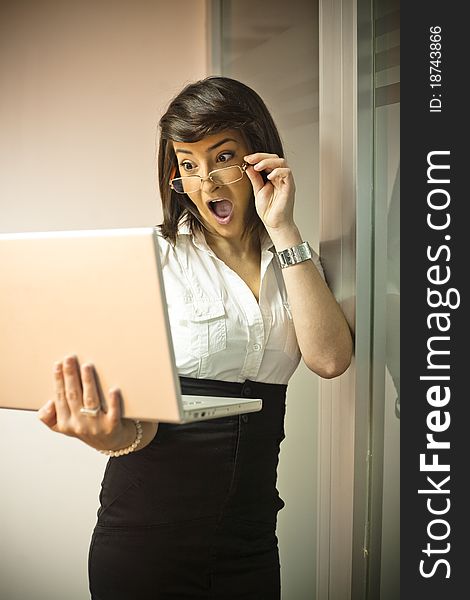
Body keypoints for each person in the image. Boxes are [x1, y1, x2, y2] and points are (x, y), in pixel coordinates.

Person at [38, 76, 352, 600]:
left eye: (223, 156)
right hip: (146, 541)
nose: (206, 182)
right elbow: (134, 429)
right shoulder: (152, 262)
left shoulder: (296, 264)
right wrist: (103, 436)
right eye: (188, 165)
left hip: (249, 542)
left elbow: (329, 359)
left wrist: (286, 229)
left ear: (260, 156)